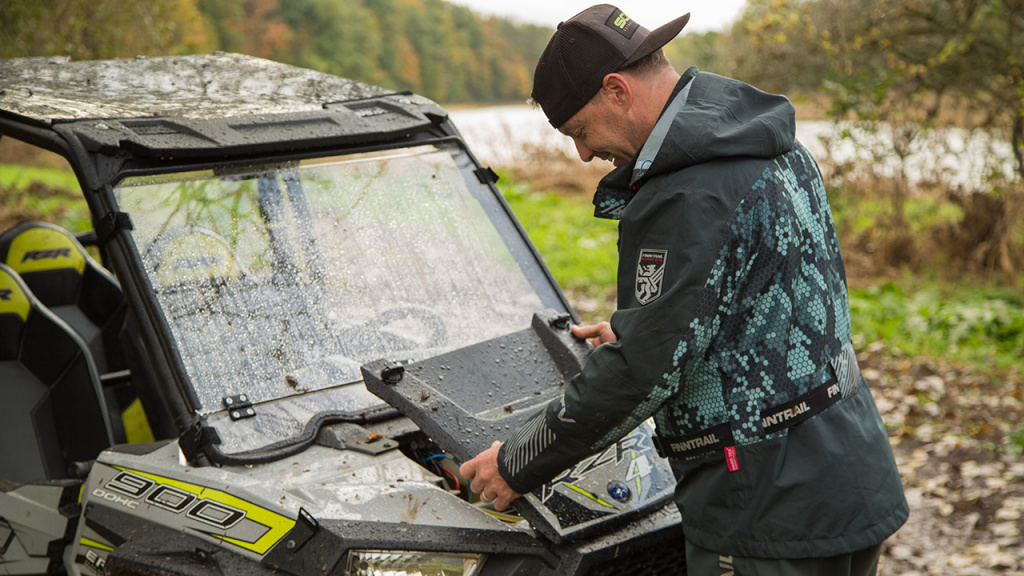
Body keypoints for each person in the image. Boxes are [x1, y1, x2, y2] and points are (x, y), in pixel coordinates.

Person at [460, 4, 908, 575]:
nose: (583, 153)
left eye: (578, 130)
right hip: (845, 473)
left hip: (763, 512)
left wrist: (516, 461)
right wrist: (654, 328)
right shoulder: (768, 142)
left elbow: (637, 373)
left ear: (617, 90)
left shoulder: (685, 192)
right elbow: (769, 304)